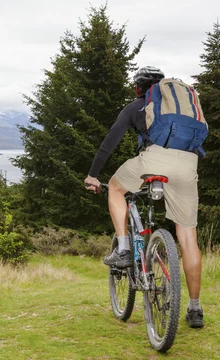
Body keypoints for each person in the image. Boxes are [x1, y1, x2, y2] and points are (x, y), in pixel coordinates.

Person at [84, 66, 204, 329]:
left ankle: (125, 248)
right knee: (188, 237)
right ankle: (195, 309)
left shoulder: (136, 106)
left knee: (115, 187)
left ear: (139, 88)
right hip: (188, 163)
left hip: (153, 160)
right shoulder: (176, 107)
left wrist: (93, 175)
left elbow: (110, 141)